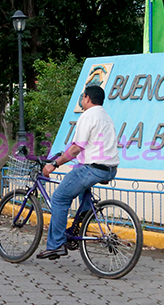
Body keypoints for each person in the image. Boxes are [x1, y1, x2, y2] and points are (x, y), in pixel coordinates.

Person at [36, 85, 119, 260]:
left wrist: (54, 164)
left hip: (93, 168)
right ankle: (80, 224)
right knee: (80, 183)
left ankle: (55, 245)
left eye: (82, 97)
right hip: (109, 169)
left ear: (88, 98)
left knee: (59, 198)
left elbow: (76, 148)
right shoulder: (106, 117)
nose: (81, 101)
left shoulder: (87, 116)